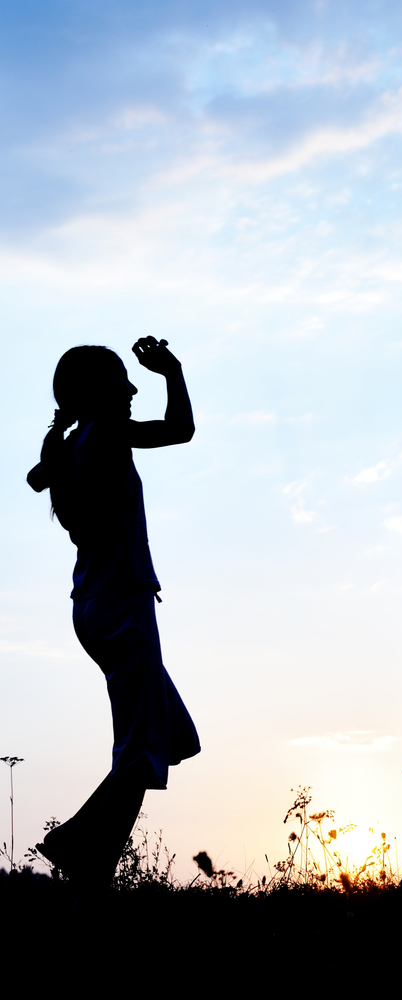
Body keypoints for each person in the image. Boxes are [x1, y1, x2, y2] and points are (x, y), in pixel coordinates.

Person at [28, 338, 200, 892]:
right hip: (123, 608)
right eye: (122, 381)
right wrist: (171, 371)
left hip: (97, 607)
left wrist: (60, 441)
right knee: (141, 754)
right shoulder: (104, 434)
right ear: (95, 393)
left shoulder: (76, 442)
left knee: (171, 736)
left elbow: (37, 477)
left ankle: (75, 838)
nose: (131, 389)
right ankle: (91, 879)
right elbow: (180, 430)